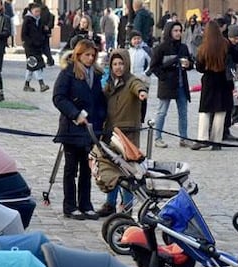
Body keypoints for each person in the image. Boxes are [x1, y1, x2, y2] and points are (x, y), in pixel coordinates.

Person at [52, 39, 106, 220]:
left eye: (92, 55)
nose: (90, 58)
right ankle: (70, 206)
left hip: (90, 130)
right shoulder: (68, 72)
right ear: (78, 55)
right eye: (87, 55)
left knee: (87, 169)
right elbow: (59, 97)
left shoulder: (97, 75)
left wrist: (100, 121)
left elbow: (99, 101)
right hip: (71, 128)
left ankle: (86, 204)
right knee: (71, 169)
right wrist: (75, 114)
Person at [99, 49, 149, 216]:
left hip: (128, 135)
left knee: (128, 173)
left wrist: (142, 93)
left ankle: (127, 207)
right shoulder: (109, 84)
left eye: (121, 64)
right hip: (111, 134)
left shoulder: (132, 81)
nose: (118, 67)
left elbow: (138, 86)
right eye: (115, 64)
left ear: (126, 64)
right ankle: (109, 204)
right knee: (112, 170)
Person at [149, 21, 193, 148]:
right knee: (162, 112)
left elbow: (190, 64)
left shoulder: (183, 47)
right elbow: (154, 67)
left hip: (181, 84)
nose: (178, 33)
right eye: (175, 31)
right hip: (167, 85)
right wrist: (163, 77)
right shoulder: (161, 48)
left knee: (183, 113)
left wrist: (188, 64)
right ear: (169, 32)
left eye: (180, 30)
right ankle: (158, 138)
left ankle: (183, 138)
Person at [191, 21, 230, 150]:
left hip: (208, 79)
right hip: (223, 79)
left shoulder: (204, 47)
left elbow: (199, 67)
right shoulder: (225, 44)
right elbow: (236, 57)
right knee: (220, 111)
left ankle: (202, 138)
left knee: (205, 110)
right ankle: (216, 141)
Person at [22, 4, 49, 92]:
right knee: (35, 64)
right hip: (30, 47)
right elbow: (24, 34)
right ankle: (42, 84)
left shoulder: (39, 20)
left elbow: (41, 31)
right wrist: (30, 42)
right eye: (36, 11)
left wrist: (45, 31)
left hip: (37, 46)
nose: (38, 13)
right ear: (31, 11)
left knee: (31, 66)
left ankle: (26, 84)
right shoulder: (28, 20)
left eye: (39, 12)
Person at [38, 1, 56, 66]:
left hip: (41, 32)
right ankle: (49, 60)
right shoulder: (49, 13)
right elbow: (51, 23)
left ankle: (50, 60)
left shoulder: (41, 13)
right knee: (46, 47)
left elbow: (41, 22)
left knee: (44, 48)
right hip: (47, 33)